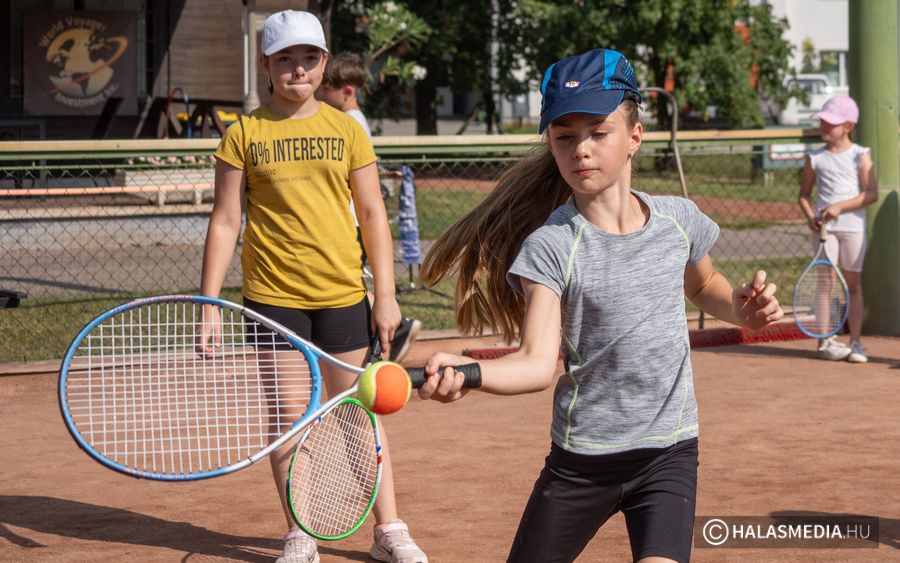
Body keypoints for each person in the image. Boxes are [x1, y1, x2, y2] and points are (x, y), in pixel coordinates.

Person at [415, 48, 784, 563]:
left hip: (669, 452)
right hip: (582, 463)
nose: (581, 149)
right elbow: (536, 364)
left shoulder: (679, 221)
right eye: (565, 137)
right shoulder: (550, 247)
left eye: (598, 132)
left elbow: (704, 286)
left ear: (635, 136)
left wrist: (743, 311)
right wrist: (469, 371)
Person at [198, 11, 427, 563]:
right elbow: (226, 221)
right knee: (289, 417)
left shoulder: (347, 130)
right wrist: (210, 304)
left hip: (342, 294)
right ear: (265, 65)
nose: (297, 69)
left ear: (324, 63)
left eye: (308, 57)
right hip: (273, 299)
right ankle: (300, 532)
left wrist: (386, 295)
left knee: (357, 412)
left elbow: (372, 214)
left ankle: (388, 530)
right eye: (285, 59)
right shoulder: (243, 134)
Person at [318, 51, 423, 363]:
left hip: (350, 221)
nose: (322, 93)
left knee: (345, 284)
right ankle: (395, 329)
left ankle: (395, 328)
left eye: (327, 88)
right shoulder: (354, 120)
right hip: (350, 220)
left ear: (347, 91)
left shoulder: (348, 122)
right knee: (346, 282)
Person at [798, 94, 878, 363]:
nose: (824, 126)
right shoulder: (815, 157)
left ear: (848, 126)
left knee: (853, 285)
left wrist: (840, 207)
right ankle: (825, 341)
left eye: (830, 123)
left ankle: (856, 342)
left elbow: (871, 193)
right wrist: (811, 216)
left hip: (853, 228)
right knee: (826, 283)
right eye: (822, 121)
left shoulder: (860, 155)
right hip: (824, 231)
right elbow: (803, 195)